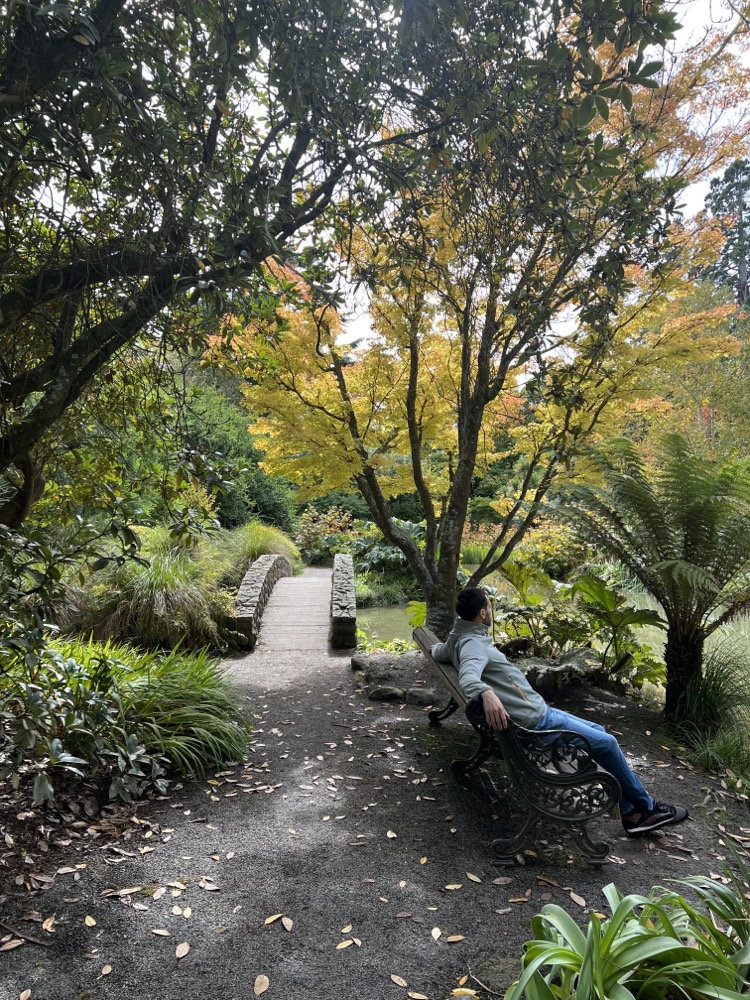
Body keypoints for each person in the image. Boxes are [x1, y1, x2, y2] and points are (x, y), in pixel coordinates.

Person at [431, 587, 688, 835]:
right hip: (534, 725)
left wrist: (435, 648)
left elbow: (440, 651)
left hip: (531, 717)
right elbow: (467, 677)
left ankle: (630, 812)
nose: (491, 609)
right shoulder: (473, 644)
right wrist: (486, 693)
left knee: (598, 732)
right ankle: (647, 808)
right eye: (489, 605)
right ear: (483, 614)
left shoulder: (460, 636)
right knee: (607, 743)